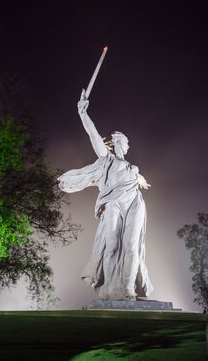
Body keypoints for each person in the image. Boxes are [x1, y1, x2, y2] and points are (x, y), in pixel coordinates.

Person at [58, 91, 154, 300]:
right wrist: (83, 113)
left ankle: (128, 290)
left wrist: (139, 178)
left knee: (131, 246)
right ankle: (110, 290)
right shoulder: (107, 159)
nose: (128, 147)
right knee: (111, 245)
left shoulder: (133, 168)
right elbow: (93, 135)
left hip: (135, 203)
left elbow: (132, 176)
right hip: (113, 203)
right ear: (118, 142)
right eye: (126, 143)